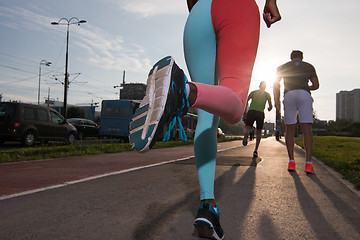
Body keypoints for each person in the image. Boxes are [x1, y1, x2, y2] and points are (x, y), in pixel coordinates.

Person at [129, 0, 281, 239]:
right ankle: (184, 92)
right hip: (236, 7)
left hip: (198, 15)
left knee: (207, 117)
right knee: (234, 106)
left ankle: (207, 206)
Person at [273, 50, 319, 174]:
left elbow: (276, 84)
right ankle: (308, 163)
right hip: (304, 94)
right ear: (301, 58)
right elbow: (316, 85)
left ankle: (291, 162)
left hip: (289, 95)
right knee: (306, 129)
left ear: (291, 58)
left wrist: (276, 100)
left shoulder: (282, 67)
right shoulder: (309, 66)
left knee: (290, 128)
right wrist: (305, 87)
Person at [243, 81, 273, 158]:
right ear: (265, 87)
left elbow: (246, 101)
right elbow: (270, 106)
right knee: (259, 131)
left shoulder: (253, 92)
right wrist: (269, 108)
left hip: (251, 111)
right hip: (260, 113)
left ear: (259, 86)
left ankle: (246, 134)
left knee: (247, 127)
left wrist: (245, 110)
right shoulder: (267, 94)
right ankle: (256, 150)